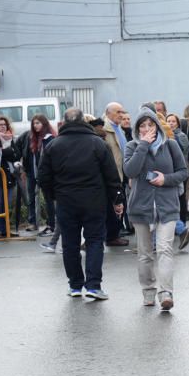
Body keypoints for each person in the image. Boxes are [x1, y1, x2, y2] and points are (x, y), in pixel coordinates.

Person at [37, 108, 123, 300]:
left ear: (64, 122)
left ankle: (75, 285)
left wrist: (53, 196)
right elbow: (111, 175)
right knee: (94, 242)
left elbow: (43, 177)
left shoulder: (53, 145)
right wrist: (117, 199)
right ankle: (93, 285)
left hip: (66, 201)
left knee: (70, 244)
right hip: (94, 200)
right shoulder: (97, 143)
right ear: (83, 121)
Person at [123, 106, 188, 311]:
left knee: (165, 249)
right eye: (143, 126)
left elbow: (183, 172)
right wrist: (143, 145)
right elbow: (130, 171)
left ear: (158, 126)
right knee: (144, 253)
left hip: (166, 206)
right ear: (137, 129)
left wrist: (165, 179)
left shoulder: (170, 146)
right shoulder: (132, 147)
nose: (147, 129)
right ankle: (148, 291)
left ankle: (166, 293)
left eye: (151, 125)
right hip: (141, 208)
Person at [23, 114, 57, 236]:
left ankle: (52, 225)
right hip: (34, 173)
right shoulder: (32, 138)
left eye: (38, 123)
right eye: (34, 123)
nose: (35, 125)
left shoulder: (50, 139)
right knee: (35, 199)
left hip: (48, 176)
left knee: (50, 201)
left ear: (44, 124)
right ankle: (41, 223)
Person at [101, 102, 130, 246]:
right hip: (111, 174)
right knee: (112, 205)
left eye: (122, 111)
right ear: (108, 113)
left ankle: (113, 234)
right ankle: (111, 236)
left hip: (122, 172)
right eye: (118, 112)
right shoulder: (105, 129)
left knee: (120, 203)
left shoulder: (118, 128)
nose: (121, 114)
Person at [165, 113, 189, 249]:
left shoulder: (179, 137)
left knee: (174, 203)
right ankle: (180, 228)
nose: (170, 123)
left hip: (176, 174)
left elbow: (182, 153)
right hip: (171, 175)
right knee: (168, 206)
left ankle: (181, 228)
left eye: (173, 121)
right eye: (168, 121)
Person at [0, 115, 19, 238]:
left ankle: (6, 229)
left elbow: (16, 154)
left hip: (9, 175)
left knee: (8, 203)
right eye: (0, 124)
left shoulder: (9, 138)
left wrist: (8, 151)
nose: (3, 126)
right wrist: (8, 151)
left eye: (4, 124)